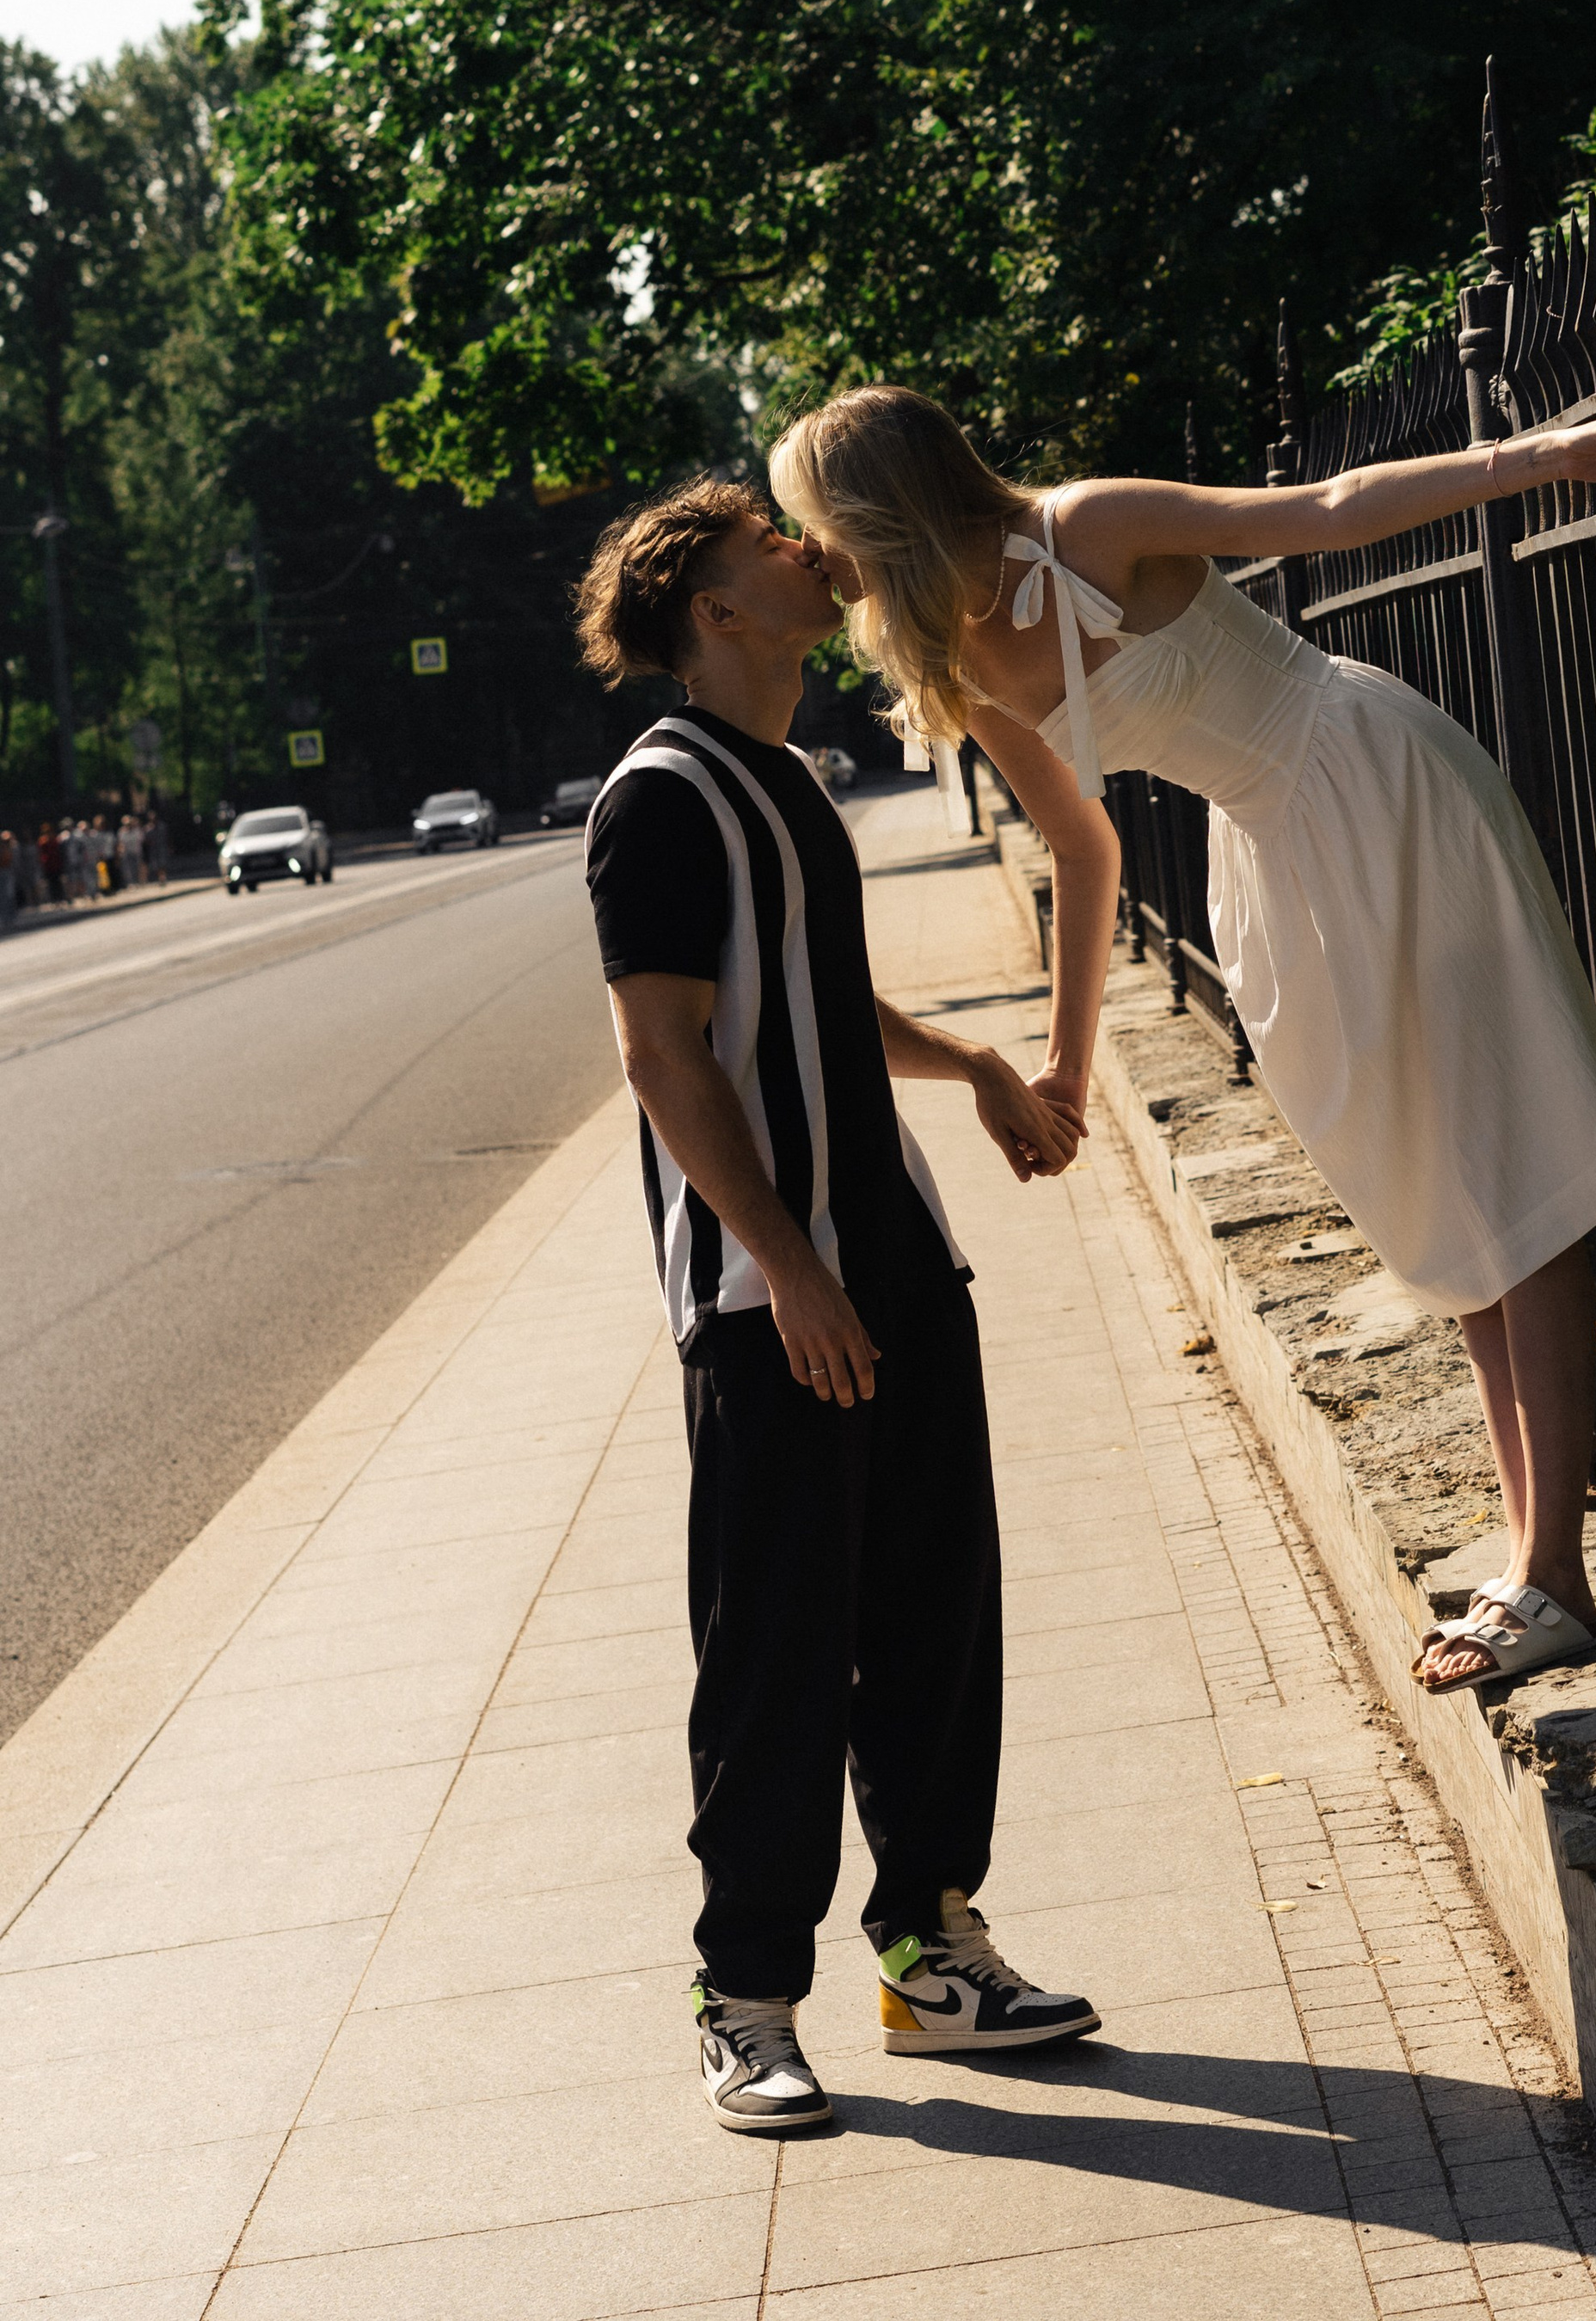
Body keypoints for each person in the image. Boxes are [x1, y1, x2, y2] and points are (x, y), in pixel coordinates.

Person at [770, 386, 1596, 1695]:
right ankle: (1535, 1557)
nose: (810, 555)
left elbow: (1327, 510)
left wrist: (1544, 458)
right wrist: (1068, 1068)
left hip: (1371, 776)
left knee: (1506, 1151)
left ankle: (1555, 1570)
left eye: (817, 524)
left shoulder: (1086, 526)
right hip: (1280, 848)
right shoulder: (956, 658)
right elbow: (1084, 847)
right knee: (1436, 1186)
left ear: (880, 512)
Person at [573, 473, 1101, 2138]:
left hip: (894, 1256)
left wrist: (977, 1066)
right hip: (768, 1296)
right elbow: (661, 1053)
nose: (809, 549)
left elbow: (820, 999)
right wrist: (788, 1267)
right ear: (715, 609)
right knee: (778, 1648)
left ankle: (931, 1951)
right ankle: (743, 2002)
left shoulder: (789, 777)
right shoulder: (659, 799)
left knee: (936, 1614)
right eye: (768, 542)